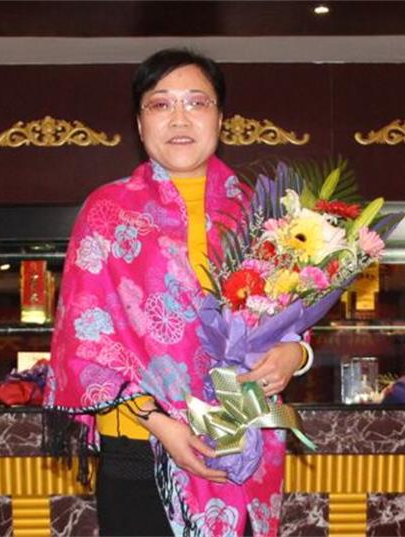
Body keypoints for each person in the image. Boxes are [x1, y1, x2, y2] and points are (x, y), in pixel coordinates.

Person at [44, 48, 312, 537]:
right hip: (142, 449)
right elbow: (82, 343)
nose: (180, 118)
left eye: (197, 102)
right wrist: (162, 424)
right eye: (161, 104)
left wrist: (296, 355)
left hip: (240, 443)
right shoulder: (107, 212)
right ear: (140, 123)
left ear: (221, 119)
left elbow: (293, 318)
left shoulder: (263, 213)